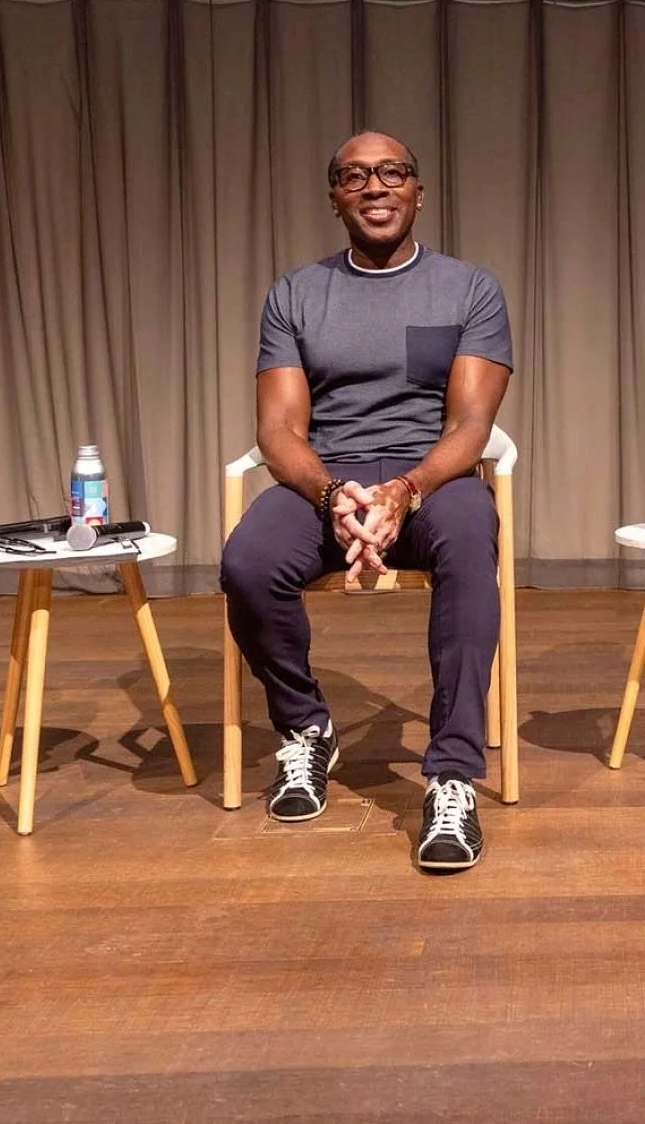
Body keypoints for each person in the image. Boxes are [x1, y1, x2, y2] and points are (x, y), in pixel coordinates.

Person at [220, 132, 512, 872]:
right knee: (248, 561)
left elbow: (470, 426)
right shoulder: (295, 294)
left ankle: (451, 776)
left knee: (473, 547)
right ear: (335, 199)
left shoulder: (469, 289)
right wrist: (330, 496)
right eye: (355, 177)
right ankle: (307, 729)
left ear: (418, 190)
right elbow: (280, 427)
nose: (375, 186)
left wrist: (406, 489)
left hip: (430, 480)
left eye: (392, 173)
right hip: (331, 480)